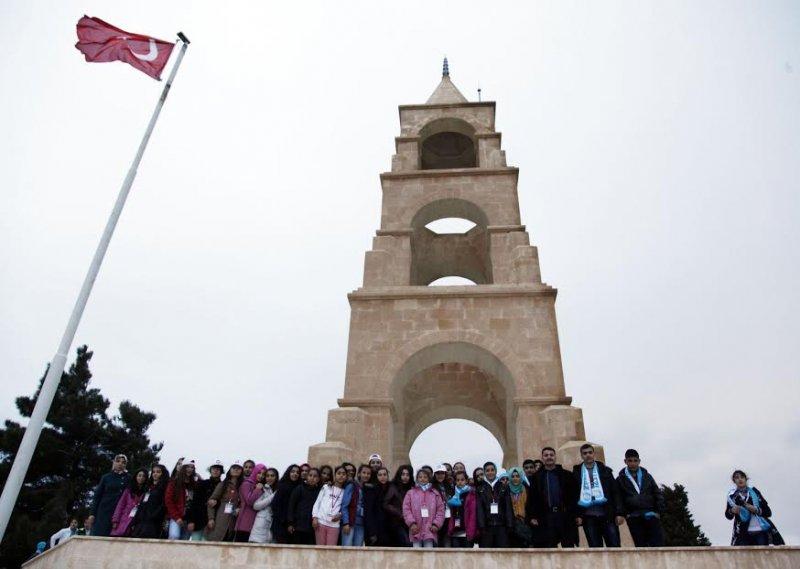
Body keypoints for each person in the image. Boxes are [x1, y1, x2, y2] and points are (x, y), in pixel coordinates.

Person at [573, 443, 623, 547]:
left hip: (607, 515)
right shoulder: (577, 473)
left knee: (614, 546)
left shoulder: (605, 471)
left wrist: (619, 512)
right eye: (585, 453)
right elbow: (574, 495)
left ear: (594, 454)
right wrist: (578, 515)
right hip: (588, 517)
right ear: (581, 455)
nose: (588, 455)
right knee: (595, 548)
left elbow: (615, 492)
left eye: (590, 452)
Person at [528, 447, 577, 548]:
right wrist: (532, 516)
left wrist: (576, 514)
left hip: (564, 515)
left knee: (568, 546)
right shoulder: (536, 477)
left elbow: (573, 497)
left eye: (551, 455)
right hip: (546, 517)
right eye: (546, 455)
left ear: (555, 457)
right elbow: (532, 499)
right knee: (549, 547)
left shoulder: (567, 475)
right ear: (542, 458)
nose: (549, 457)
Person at [616, 449, 665, 547]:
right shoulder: (620, 479)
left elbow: (657, 493)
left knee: (657, 544)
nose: (633, 463)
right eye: (630, 461)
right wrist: (623, 514)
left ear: (639, 461)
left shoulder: (647, 476)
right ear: (625, 461)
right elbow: (618, 498)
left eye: (635, 460)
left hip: (650, 514)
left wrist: (658, 511)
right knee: (640, 545)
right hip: (633, 516)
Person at [725, 470, 784, 546]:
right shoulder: (732, 496)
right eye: (737, 478)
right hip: (742, 533)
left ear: (746, 479)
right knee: (742, 553)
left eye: (742, 477)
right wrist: (732, 511)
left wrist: (756, 510)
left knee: (762, 552)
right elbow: (728, 516)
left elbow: (768, 512)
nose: (740, 479)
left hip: (760, 531)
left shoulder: (755, 492)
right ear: (734, 481)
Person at [87, 454, 131, 536]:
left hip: (119, 514)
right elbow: (97, 496)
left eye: (123, 462)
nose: (120, 464)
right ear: (114, 462)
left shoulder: (128, 478)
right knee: (99, 535)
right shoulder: (106, 477)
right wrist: (92, 514)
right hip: (103, 512)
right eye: (118, 461)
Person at [403, 468, 445, 548]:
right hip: (416, 529)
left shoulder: (435, 493)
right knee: (416, 550)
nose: (422, 479)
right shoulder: (410, 493)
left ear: (429, 479)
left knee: (429, 550)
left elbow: (440, 510)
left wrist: (436, 524)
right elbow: (406, 509)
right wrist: (412, 523)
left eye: (425, 477)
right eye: (420, 477)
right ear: (417, 479)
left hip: (430, 529)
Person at [475, 461, 513, 548]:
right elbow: (480, 509)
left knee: (502, 552)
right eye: (487, 470)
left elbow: (508, 506)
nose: (490, 472)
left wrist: (510, 524)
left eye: (492, 470)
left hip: (502, 526)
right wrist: (481, 526)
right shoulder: (480, 488)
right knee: (487, 552)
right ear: (484, 473)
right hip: (487, 527)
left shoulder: (503, 487)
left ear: (496, 471)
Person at [205, 461, 243, 541]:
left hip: (234, 520)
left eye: (238, 468)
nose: (236, 470)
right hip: (221, 518)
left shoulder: (243, 486)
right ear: (230, 470)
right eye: (234, 468)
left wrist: (239, 508)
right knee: (216, 540)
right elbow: (211, 501)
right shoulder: (223, 484)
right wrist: (211, 518)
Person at [130, 463, 168, 539]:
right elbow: (142, 503)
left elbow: (164, 504)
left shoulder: (165, 487)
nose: (155, 474)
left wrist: (154, 515)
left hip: (154, 521)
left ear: (163, 473)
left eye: (158, 472)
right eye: (153, 472)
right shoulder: (148, 486)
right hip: (142, 520)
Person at [312, 464, 347, 545]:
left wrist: (340, 515)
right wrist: (315, 517)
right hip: (321, 522)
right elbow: (318, 502)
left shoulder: (345, 492)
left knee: (331, 550)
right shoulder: (326, 487)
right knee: (320, 549)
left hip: (334, 525)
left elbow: (345, 507)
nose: (341, 476)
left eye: (343, 474)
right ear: (335, 475)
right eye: (339, 473)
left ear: (346, 477)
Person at [189, 461, 224, 541]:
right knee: (194, 543)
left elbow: (223, 502)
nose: (215, 471)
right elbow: (194, 503)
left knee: (207, 545)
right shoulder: (202, 484)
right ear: (210, 470)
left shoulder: (223, 486)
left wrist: (217, 503)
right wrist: (191, 520)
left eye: (218, 469)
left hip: (213, 522)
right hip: (198, 520)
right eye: (214, 469)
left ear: (221, 472)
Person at [287, 467, 321, 544]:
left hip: (312, 528)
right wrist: (290, 523)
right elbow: (291, 506)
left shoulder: (320, 492)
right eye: (310, 475)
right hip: (297, 526)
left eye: (315, 476)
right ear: (307, 477)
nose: (312, 478)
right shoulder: (299, 488)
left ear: (318, 479)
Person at [165, 460, 198, 540]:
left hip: (189, 519)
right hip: (176, 516)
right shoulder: (174, 483)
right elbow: (168, 500)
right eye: (188, 467)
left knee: (184, 541)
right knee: (174, 536)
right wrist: (176, 517)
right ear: (183, 468)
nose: (190, 469)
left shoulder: (195, 484)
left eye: (192, 467)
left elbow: (196, 503)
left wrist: (192, 520)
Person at [234, 463, 267, 542]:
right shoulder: (247, 484)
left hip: (255, 523)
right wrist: (257, 489)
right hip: (245, 522)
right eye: (259, 473)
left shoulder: (260, 485)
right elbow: (249, 501)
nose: (261, 476)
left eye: (263, 474)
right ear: (255, 472)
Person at [341, 464, 372, 546]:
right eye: (364, 473)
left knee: (358, 549)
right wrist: (346, 523)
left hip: (361, 524)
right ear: (359, 474)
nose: (366, 475)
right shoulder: (352, 485)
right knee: (347, 547)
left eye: (368, 473)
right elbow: (344, 505)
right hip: (350, 522)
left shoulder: (367, 488)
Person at [111, 468, 148, 537]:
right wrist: (115, 520)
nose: (141, 478)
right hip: (124, 519)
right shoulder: (128, 490)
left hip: (137, 522)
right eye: (139, 475)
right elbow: (120, 505)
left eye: (143, 476)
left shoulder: (147, 492)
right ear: (136, 477)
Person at [383, 464, 414, 547]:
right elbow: (386, 504)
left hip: (409, 522)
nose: (405, 477)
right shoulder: (393, 487)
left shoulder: (412, 488)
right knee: (406, 543)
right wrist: (399, 513)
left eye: (407, 475)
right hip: (396, 522)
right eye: (403, 474)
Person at [447, 470, 478, 547]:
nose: (460, 482)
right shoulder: (453, 493)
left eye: (462, 480)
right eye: (457, 480)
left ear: (466, 481)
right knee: (456, 553)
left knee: (467, 553)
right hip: (455, 529)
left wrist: (472, 529)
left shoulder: (471, 493)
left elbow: (473, 514)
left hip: (467, 529)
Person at [272, 464, 301, 543]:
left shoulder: (300, 488)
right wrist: (284, 521)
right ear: (288, 473)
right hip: (281, 524)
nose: (295, 474)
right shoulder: (282, 486)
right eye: (293, 471)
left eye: (297, 472)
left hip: (294, 525)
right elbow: (275, 505)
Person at [250, 467, 279, 544]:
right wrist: (272, 496)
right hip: (261, 523)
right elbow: (256, 506)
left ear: (276, 477)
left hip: (273, 525)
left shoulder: (279, 490)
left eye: (272, 476)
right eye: (267, 476)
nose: (270, 478)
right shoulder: (262, 488)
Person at [364, 466, 391, 546]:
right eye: (380, 475)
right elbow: (369, 512)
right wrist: (372, 532)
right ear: (376, 476)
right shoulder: (372, 489)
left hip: (388, 528)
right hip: (375, 529)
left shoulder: (391, 488)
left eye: (384, 474)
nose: (382, 477)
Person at [507, 466, 531, 547]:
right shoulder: (506, 490)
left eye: (517, 476)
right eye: (513, 476)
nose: (515, 478)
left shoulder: (526, 489)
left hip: (524, 522)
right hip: (510, 524)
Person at [432, 464, 453, 547]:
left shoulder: (449, 486)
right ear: (435, 474)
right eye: (438, 473)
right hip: (437, 517)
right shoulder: (431, 487)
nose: (440, 475)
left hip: (448, 516)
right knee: (438, 540)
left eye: (442, 473)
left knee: (447, 539)